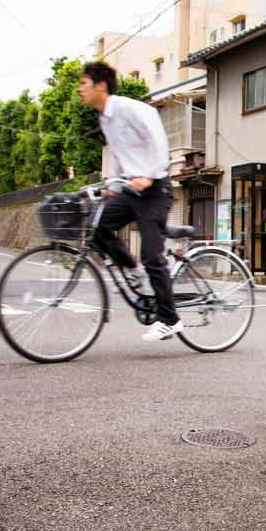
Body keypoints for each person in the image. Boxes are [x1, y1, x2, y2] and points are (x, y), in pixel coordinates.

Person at [77, 61, 182, 342]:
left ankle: (170, 320)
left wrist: (148, 175)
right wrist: (111, 183)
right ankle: (132, 271)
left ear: (101, 85)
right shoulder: (104, 118)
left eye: (83, 84)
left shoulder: (130, 108)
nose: (79, 90)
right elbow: (116, 152)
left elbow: (158, 140)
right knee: (97, 227)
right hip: (130, 189)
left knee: (152, 255)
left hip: (154, 188)